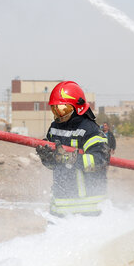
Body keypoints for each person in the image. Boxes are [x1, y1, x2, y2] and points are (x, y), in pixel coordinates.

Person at [36, 80, 109, 217]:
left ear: (77, 107)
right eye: (55, 109)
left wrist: (67, 158)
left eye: (63, 109)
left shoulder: (89, 129)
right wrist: (47, 158)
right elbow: (54, 164)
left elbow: (100, 159)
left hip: (88, 208)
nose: (59, 114)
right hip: (60, 206)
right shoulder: (54, 129)